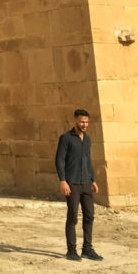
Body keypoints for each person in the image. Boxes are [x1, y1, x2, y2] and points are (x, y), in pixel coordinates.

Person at [55, 109, 103, 262]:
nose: (85, 125)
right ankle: (71, 250)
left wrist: (93, 179)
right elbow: (59, 160)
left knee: (89, 216)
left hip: (86, 183)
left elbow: (88, 161)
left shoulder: (87, 139)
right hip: (72, 183)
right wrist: (63, 180)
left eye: (87, 122)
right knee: (73, 217)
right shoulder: (66, 138)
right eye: (82, 122)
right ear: (75, 120)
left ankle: (87, 249)